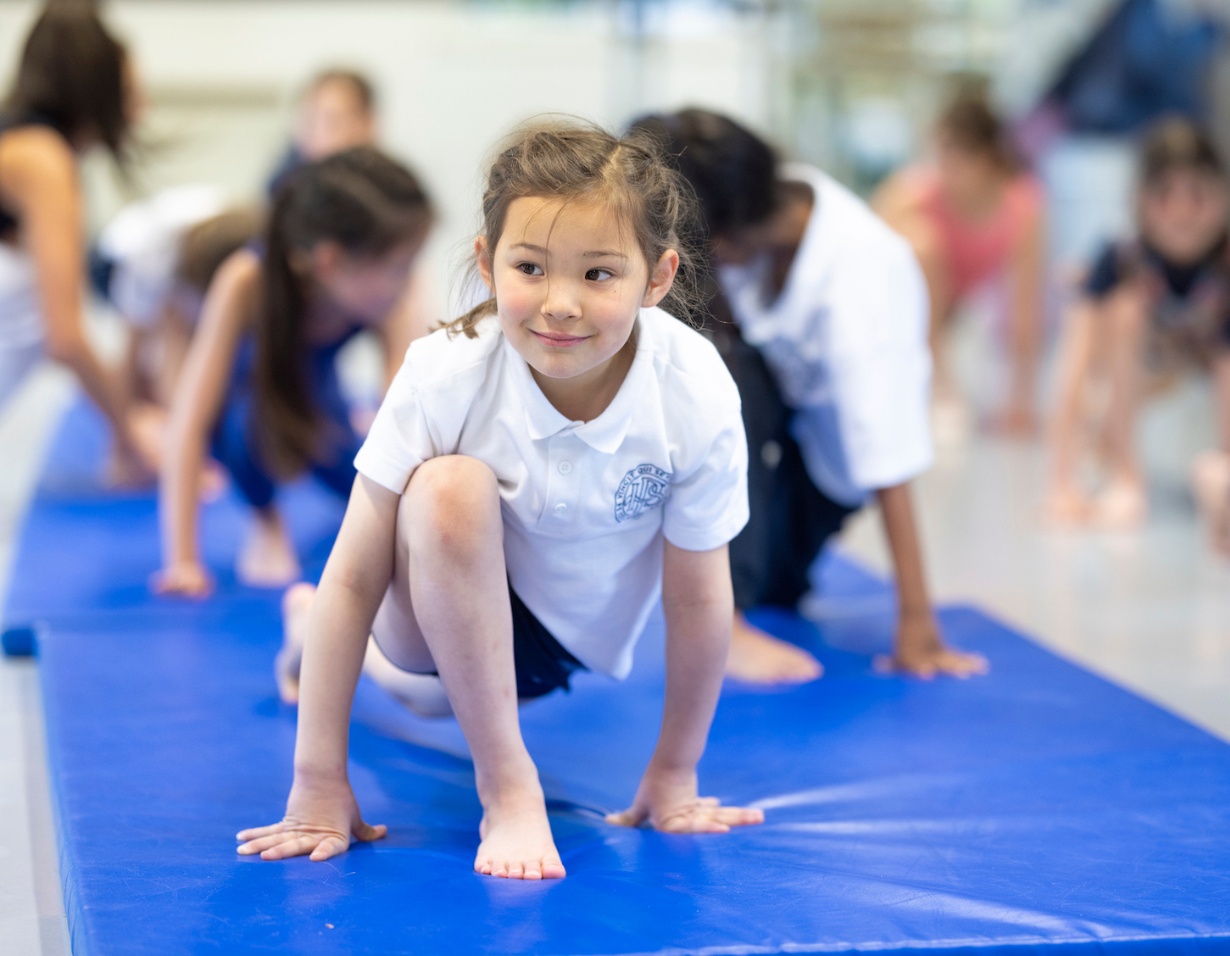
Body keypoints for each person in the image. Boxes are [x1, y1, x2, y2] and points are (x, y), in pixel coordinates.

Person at [236, 120, 764, 880]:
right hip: (420, 605)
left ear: (658, 278)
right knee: (450, 488)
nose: (559, 304)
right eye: (531, 267)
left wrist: (675, 772)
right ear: (487, 263)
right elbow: (352, 578)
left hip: (552, 644)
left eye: (598, 275)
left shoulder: (693, 388)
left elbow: (697, 598)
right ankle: (508, 788)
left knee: (425, 702)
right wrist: (318, 780)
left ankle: (300, 631)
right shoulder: (446, 371)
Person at [630, 108, 988, 685]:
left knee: (777, 583)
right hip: (780, 417)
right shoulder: (764, 202)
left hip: (826, 464)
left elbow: (886, 455)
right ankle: (729, 616)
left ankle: (733, 615)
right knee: (717, 376)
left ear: (722, 237)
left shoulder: (862, 278)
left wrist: (918, 622)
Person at [154, 147, 433, 596]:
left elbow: (406, 414)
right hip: (248, 405)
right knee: (250, 429)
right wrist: (182, 561)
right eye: (398, 267)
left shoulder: (391, 295)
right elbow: (188, 423)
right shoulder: (246, 278)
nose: (409, 280)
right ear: (329, 263)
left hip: (323, 401)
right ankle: (265, 518)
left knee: (368, 477)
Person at [1047, 117, 1230, 545]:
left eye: (1198, 196)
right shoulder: (1121, 258)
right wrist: (1061, 483)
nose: (1182, 212)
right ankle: (1124, 474)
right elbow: (1072, 371)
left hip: (1200, 367)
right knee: (1125, 309)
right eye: (1165, 196)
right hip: (1133, 373)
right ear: (1140, 200)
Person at [0, 0, 153, 480]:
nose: (139, 107)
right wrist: (133, 434)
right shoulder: (43, 160)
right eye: (131, 89)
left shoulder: (30, 150)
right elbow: (64, 337)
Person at [874, 94, 1047, 437]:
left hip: (955, 303)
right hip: (898, 303)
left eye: (958, 156)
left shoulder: (1021, 206)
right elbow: (863, 257)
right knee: (921, 242)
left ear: (987, 158)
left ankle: (946, 383)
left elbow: (1026, 308)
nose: (946, 167)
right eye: (941, 154)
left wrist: (1021, 400)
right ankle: (939, 384)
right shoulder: (914, 193)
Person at [91, 186, 261, 408]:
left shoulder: (236, 230)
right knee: (157, 348)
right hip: (115, 259)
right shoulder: (149, 266)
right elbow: (130, 363)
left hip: (170, 240)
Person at [266, 69, 377, 196]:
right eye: (308, 120)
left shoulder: (388, 193)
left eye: (330, 121)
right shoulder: (287, 183)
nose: (313, 133)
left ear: (367, 124)